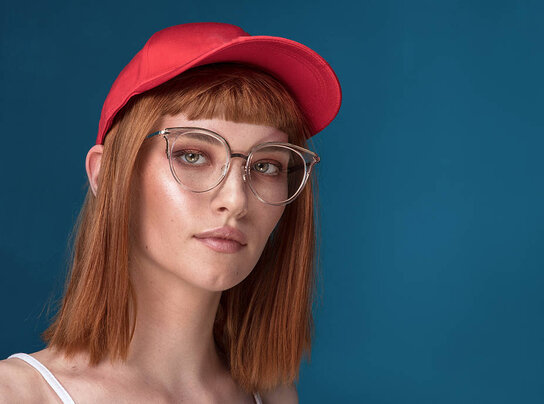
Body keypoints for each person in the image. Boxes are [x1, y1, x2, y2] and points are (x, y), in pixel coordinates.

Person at [0, 22, 341, 403]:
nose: (236, 200)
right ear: (108, 174)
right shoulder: (18, 393)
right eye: (192, 155)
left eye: (266, 166)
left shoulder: (274, 395)